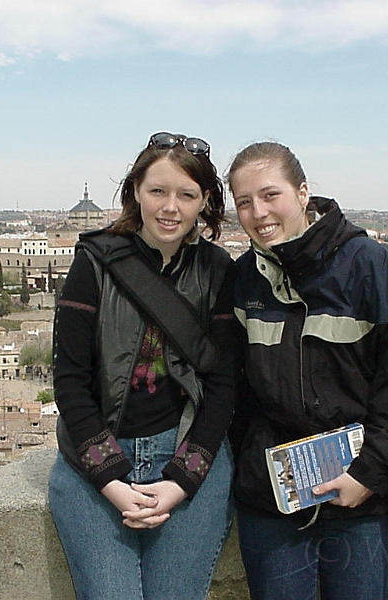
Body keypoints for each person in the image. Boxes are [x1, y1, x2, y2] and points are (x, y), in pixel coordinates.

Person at [226, 141, 388, 600]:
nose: (258, 212)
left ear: (303, 193)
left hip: (363, 501)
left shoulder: (371, 268)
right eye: (244, 202)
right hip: (273, 500)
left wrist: (369, 475)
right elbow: (233, 388)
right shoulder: (244, 277)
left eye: (271, 195)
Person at [49, 132, 238, 600]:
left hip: (187, 450)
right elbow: (70, 380)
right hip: (95, 462)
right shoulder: (93, 263)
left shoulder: (218, 270)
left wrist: (181, 481)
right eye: (158, 191)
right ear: (135, 191)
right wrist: (110, 480)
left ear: (205, 201)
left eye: (186, 194)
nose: (170, 207)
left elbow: (224, 384)